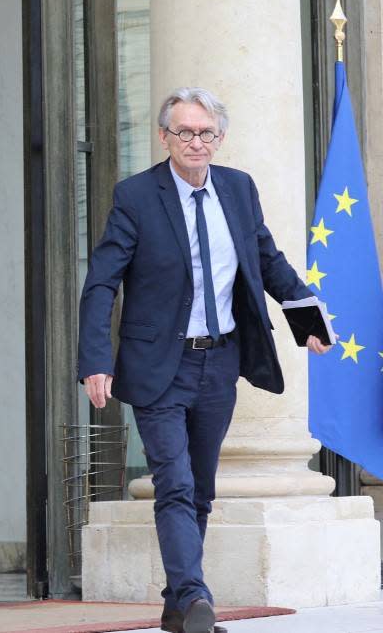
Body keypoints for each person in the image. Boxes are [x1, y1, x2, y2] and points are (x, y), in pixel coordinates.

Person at [77, 88, 331, 633]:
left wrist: (308, 322)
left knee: (201, 488)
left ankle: (178, 605)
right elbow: (102, 284)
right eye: (185, 132)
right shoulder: (136, 196)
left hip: (219, 362)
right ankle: (196, 597)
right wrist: (96, 358)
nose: (197, 142)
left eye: (207, 133)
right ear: (164, 136)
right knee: (174, 482)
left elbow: (267, 259)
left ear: (220, 137)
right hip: (155, 365)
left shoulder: (238, 189)